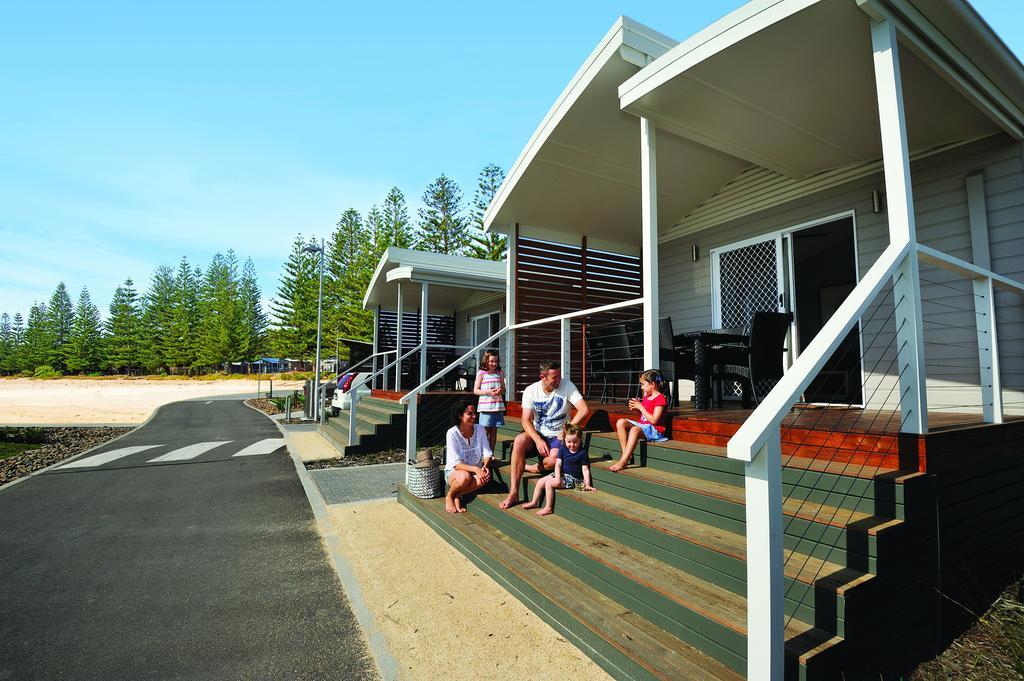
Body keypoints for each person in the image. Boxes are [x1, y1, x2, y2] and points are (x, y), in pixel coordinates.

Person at [499, 359, 589, 510]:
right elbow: (526, 421)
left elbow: (584, 410)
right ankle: (513, 492)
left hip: (557, 436)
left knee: (554, 460)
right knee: (519, 440)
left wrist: (566, 429)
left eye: (560, 375)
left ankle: (535, 468)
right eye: (555, 377)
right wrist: (538, 439)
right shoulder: (531, 390)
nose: (559, 379)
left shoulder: (567, 385)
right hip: (538, 433)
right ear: (543, 377)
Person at [523, 423, 594, 516]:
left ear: (580, 440)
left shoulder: (582, 452)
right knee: (540, 481)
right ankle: (534, 502)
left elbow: (585, 469)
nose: (572, 445)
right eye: (569, 442)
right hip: (562, 475)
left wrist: (587, 483)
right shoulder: (563, 449)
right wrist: (557, 477)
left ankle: (548, 507)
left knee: (549, 483)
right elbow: (558, 465)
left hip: (574, 479)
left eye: (575, 442)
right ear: (565, 439)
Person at [609, 369, 669, 472]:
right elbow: (644, 416)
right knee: (620, 422)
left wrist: (641, 407)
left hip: (655, 430)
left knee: (634, 430)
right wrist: (637, 409)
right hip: (644, 426)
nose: (641, 387)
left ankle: (623, 461)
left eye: (643, 384)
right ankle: (626, 454)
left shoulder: (660, 399)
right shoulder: (647, 397)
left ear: (652, 384)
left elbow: (654, 420)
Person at [444, 400, 493, 514]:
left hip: (475, 473)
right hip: (455, 473)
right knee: (465, 477)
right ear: (460, 416)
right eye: (469, 413)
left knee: (485, 477)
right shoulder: (452, 433)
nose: (474, 416)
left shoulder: (480, 429)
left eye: (475, 413)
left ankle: (458, 495)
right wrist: (477, 469)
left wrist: (485, 466)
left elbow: (487, 452)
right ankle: (449, 496)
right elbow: (456, 464)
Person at [473, 349, 505, 452]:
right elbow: (476, 390)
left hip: (497, 407)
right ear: (486, 360)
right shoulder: (482, 373)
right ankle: (485, 453)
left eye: (496, 361)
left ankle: (491, 453)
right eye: (491, 361)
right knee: (485, 431)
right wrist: (488, 392)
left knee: (494, 431)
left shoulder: (499, 373)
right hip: (486, 407)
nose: (494, 363)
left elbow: (503, 388)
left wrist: (501, 391)